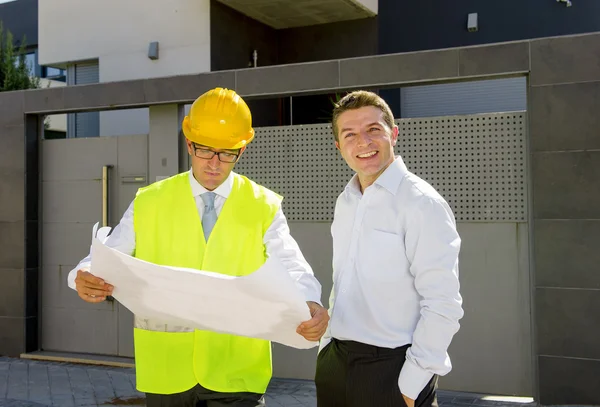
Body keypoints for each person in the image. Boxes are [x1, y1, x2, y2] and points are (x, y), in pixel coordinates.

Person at [67, 87, 329, 407]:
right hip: (166, 372)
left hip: (237, 372)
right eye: (205, 150)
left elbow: (291, 264)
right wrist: (83, 273)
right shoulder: (150, 201)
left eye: (227, 152)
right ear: (189, 143)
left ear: (242, 150)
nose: (215, 164)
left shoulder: (263, 206)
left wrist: (310, 300)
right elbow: (109, 254)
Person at [315, 90, 464, 407]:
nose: (363, 143)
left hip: (394, 372)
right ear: (339, 146)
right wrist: (326, 348)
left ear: (393, 133)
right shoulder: (346, 201)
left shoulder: (421, 203)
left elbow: (443, 303)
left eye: (373, 130)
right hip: (336, 366)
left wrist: (411, 383)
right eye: (350, 134)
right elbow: (342, 282)